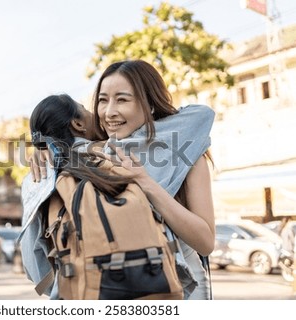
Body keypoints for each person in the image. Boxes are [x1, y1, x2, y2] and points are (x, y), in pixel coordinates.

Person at [21, 60, 215, 299]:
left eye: (122, 99)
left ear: (150, 104)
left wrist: (146, 183)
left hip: (178, 290)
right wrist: (47, 147)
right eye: (102, 100)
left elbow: (205, 242)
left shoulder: (185, 153)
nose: (109, 112)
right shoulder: (89, 155)